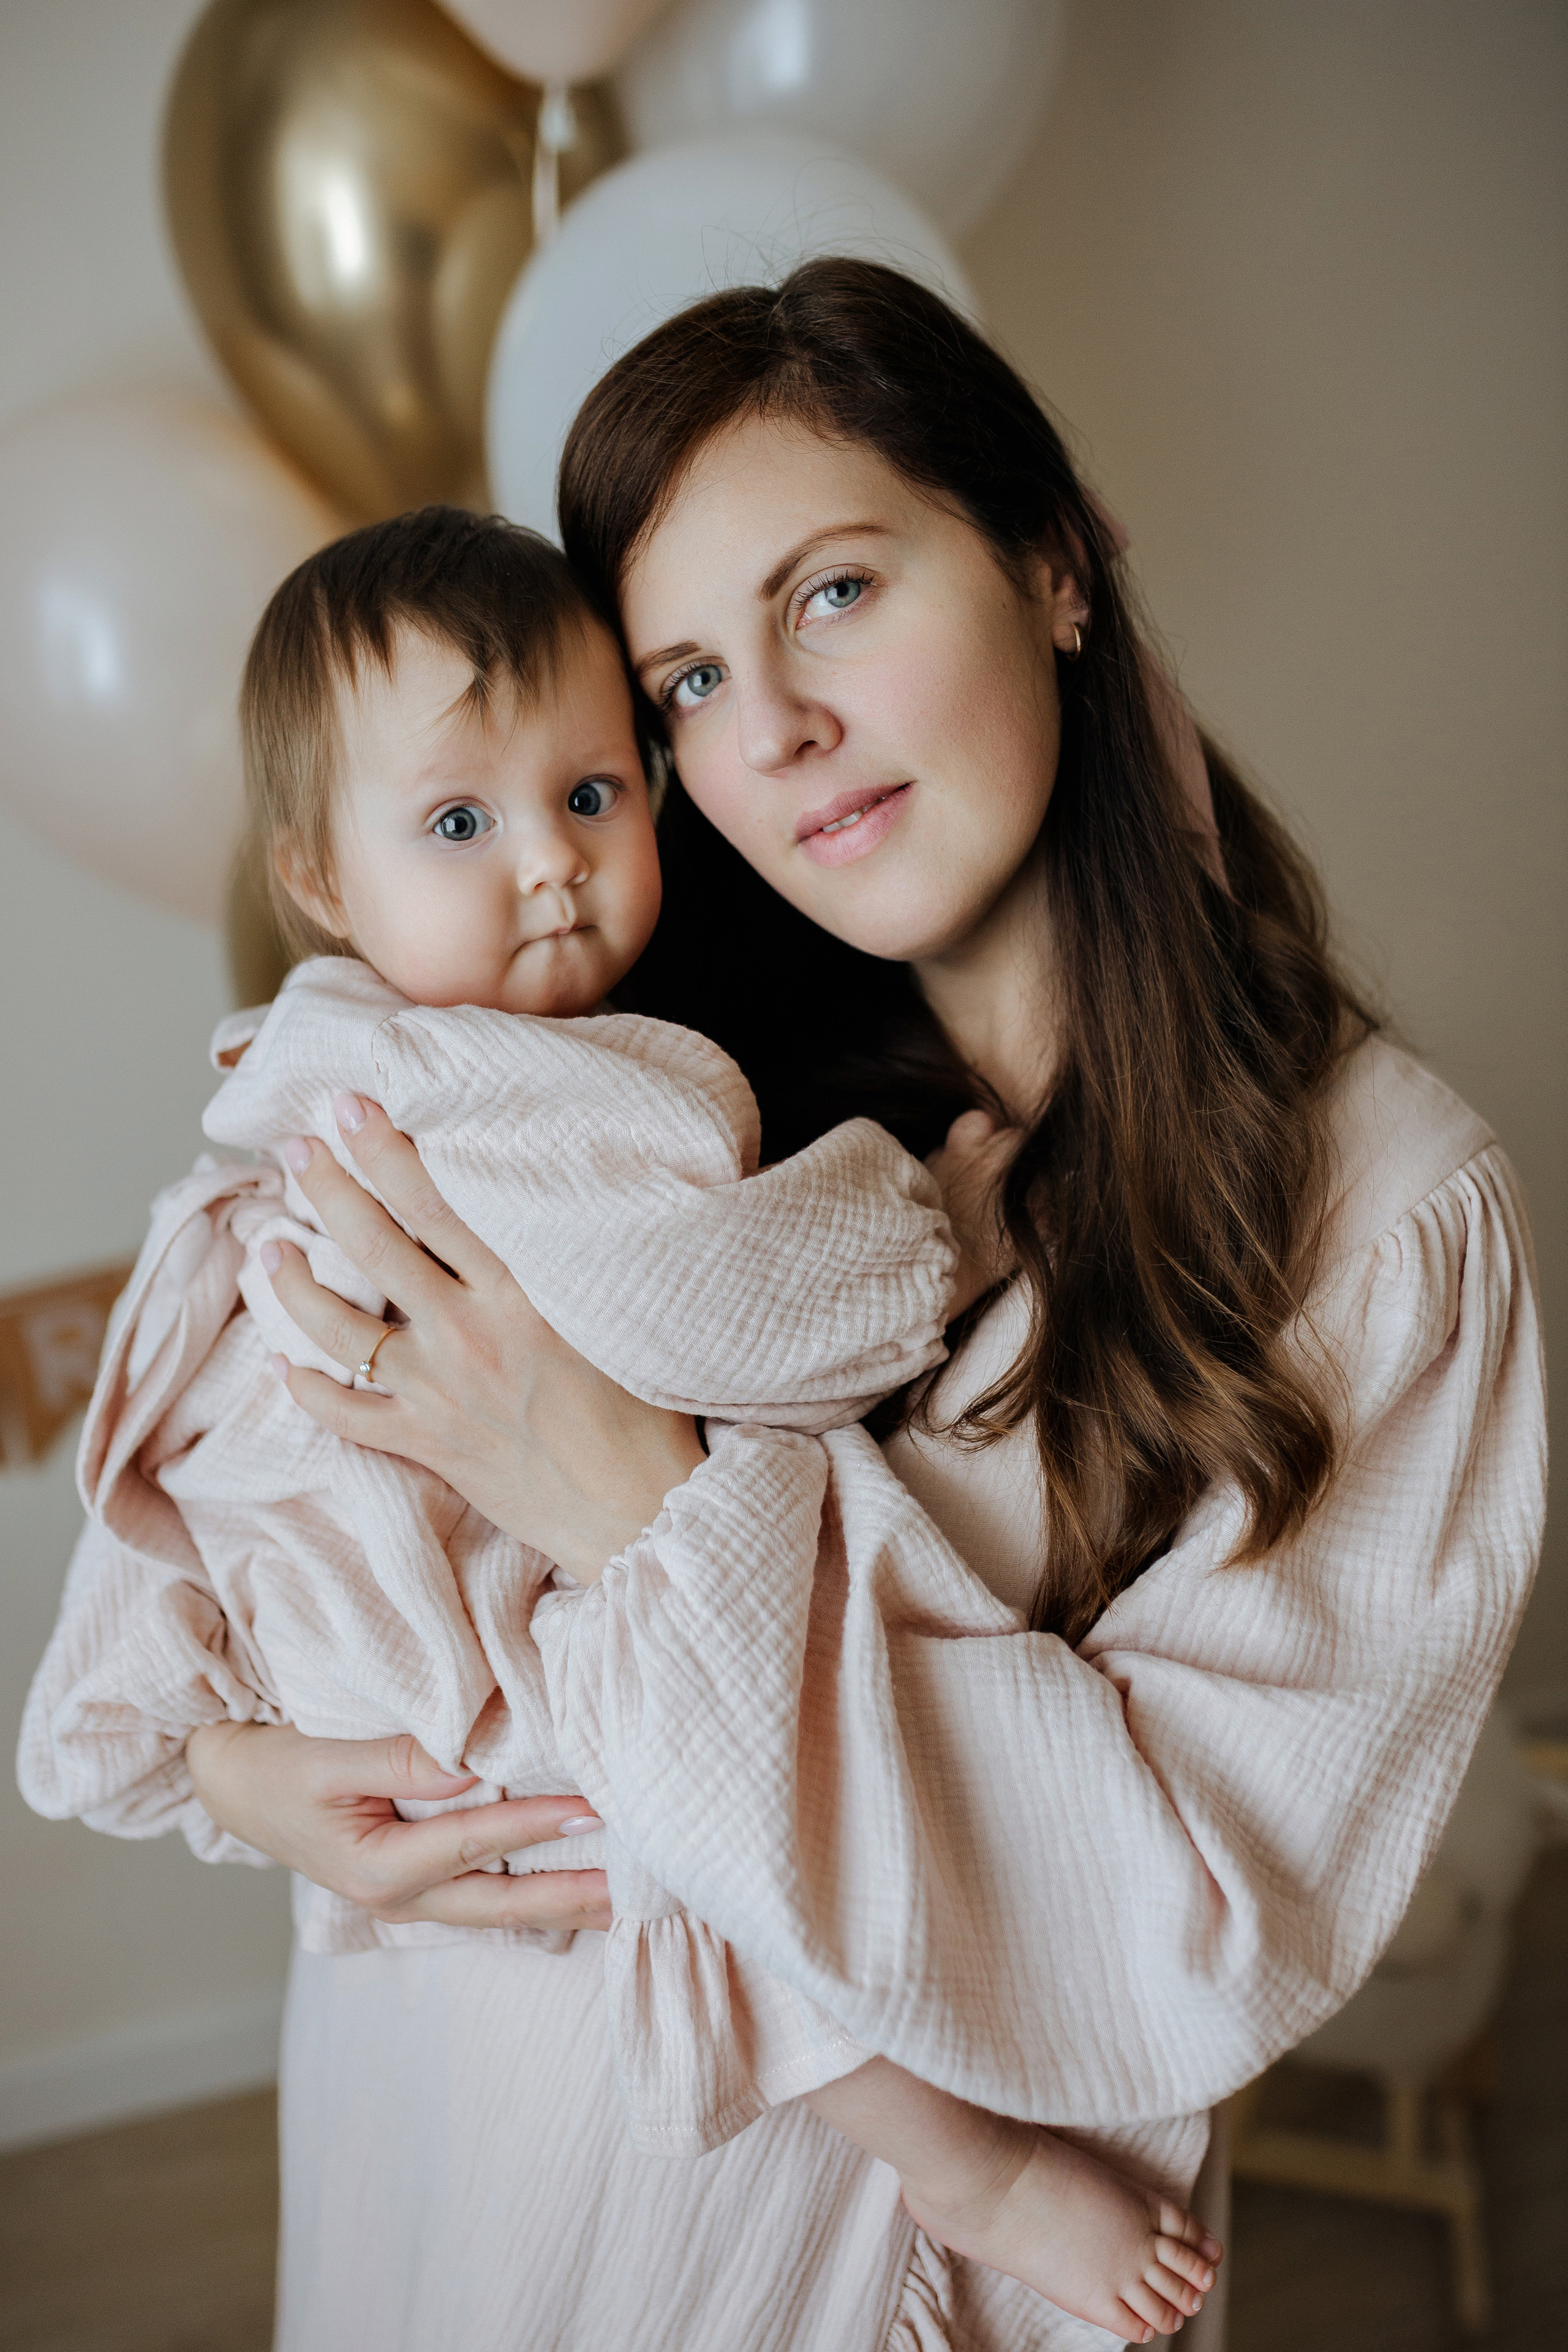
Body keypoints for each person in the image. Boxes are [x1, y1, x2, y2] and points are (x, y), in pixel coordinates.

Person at [32, 260, 1546, 2352]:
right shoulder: (635, 1071)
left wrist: (645, 1501)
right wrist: (239, 1773)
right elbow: (324, 1516)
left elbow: (1186, 1921)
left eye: (832, 593)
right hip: (447, 2176)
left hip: (854, 2280)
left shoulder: (1376, 1217)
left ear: (1054, 567)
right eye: (683, 687)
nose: (776, 730)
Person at [23, 502, 1220, 2341]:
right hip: (469, 1671)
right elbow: (728, 1313)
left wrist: (192, 1752)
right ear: (320, 880)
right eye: (458, 823)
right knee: (714, 1818)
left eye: (592, 794)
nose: (551, 866)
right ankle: (968, 2167)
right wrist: (942, 1231)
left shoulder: (301, 1070)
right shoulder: (526, 1096)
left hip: (353, 1665)